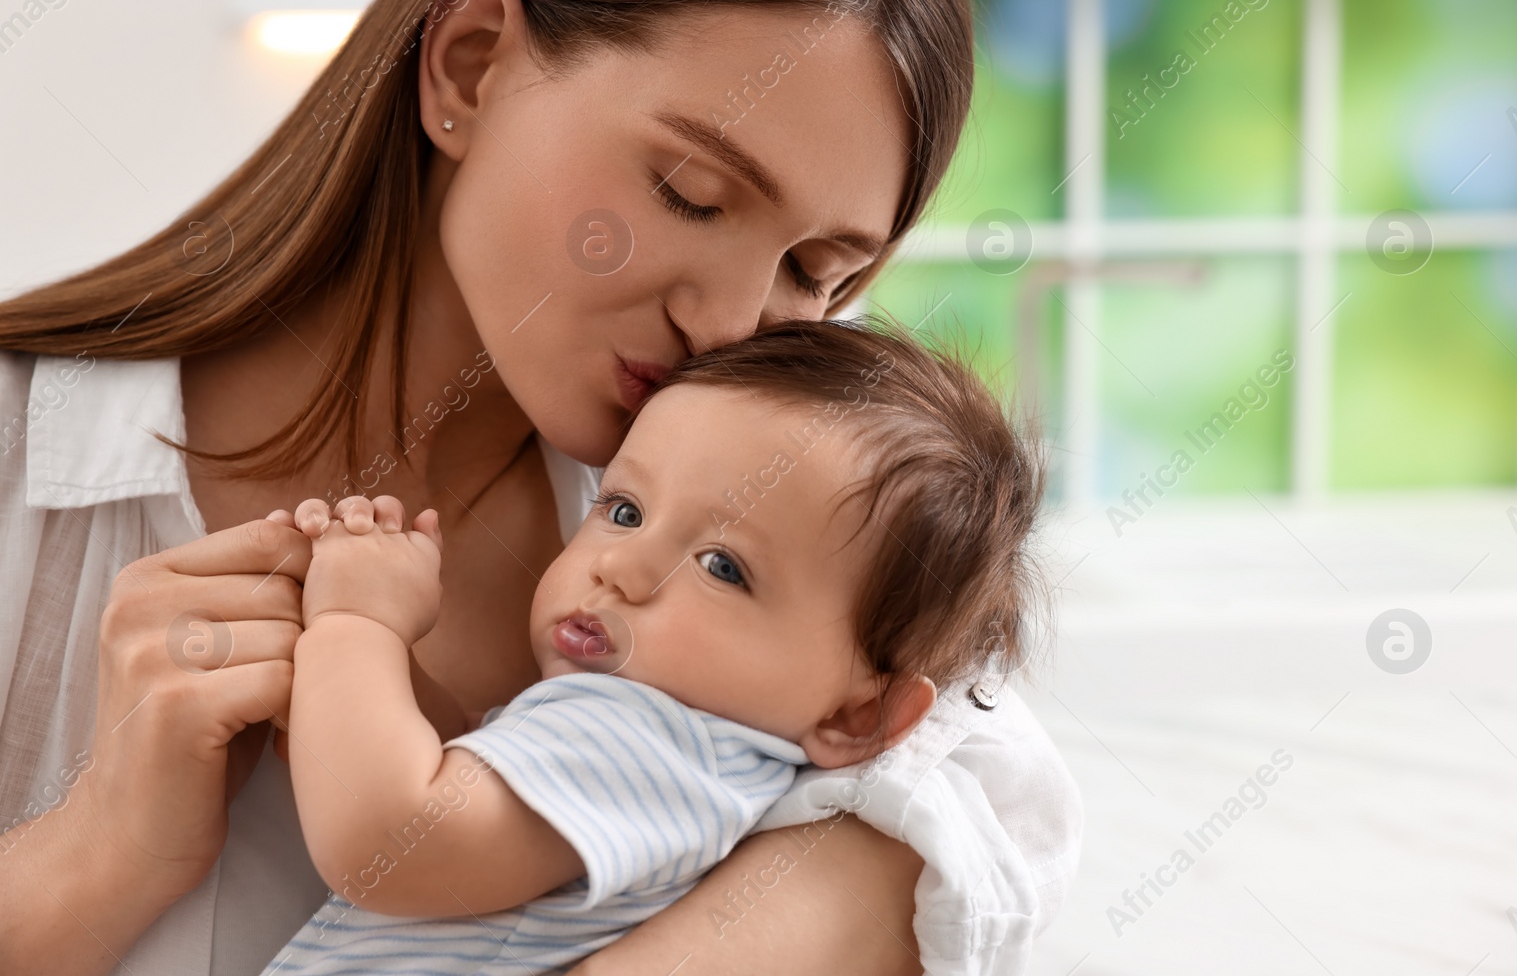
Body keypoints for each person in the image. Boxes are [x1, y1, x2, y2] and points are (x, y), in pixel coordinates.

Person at [0, 0, 1082, 973]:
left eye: (818, 274)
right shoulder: (26, 464)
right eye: (688, 193)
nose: (728, 322)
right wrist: (99, 852)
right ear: (470, 64)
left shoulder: (796, 536)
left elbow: (988, 806)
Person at [262, 319, 1047, 974]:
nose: (622, 568)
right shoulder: (691, 762)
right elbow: (459, 783)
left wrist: (355, 623)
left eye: (722, 567)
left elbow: (390, 842)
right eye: (626, 510)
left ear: (859, 713)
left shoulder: (655, 736)